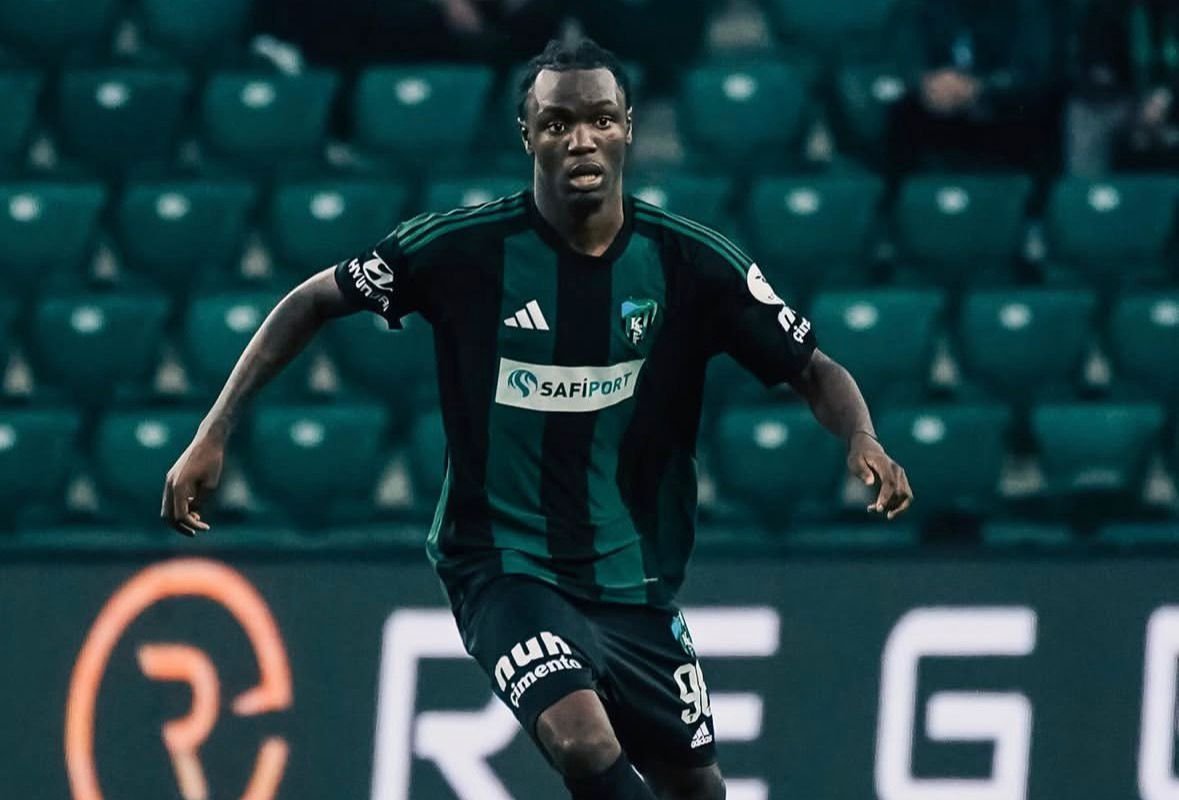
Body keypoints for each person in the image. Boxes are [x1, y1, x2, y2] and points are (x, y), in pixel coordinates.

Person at [162, 37, 913, 800]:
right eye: (557, 123)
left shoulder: (689, 261)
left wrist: (862, 437)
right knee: (581, 741)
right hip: (501, 563)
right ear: (527, 136)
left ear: (627, 128)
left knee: (697, 788)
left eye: (600, 119)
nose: (581, 139)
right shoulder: (460, 250)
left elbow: (814, 368)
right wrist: (212, 432)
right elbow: (311, 300)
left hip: (634, 578)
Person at [885, 0, 1061, 176]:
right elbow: (904, 62)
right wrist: (927, 82)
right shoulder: (918, 7)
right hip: (933, 117)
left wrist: (977, 87)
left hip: (1007, 124)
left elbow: (1031, 72)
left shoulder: (1028, 9)